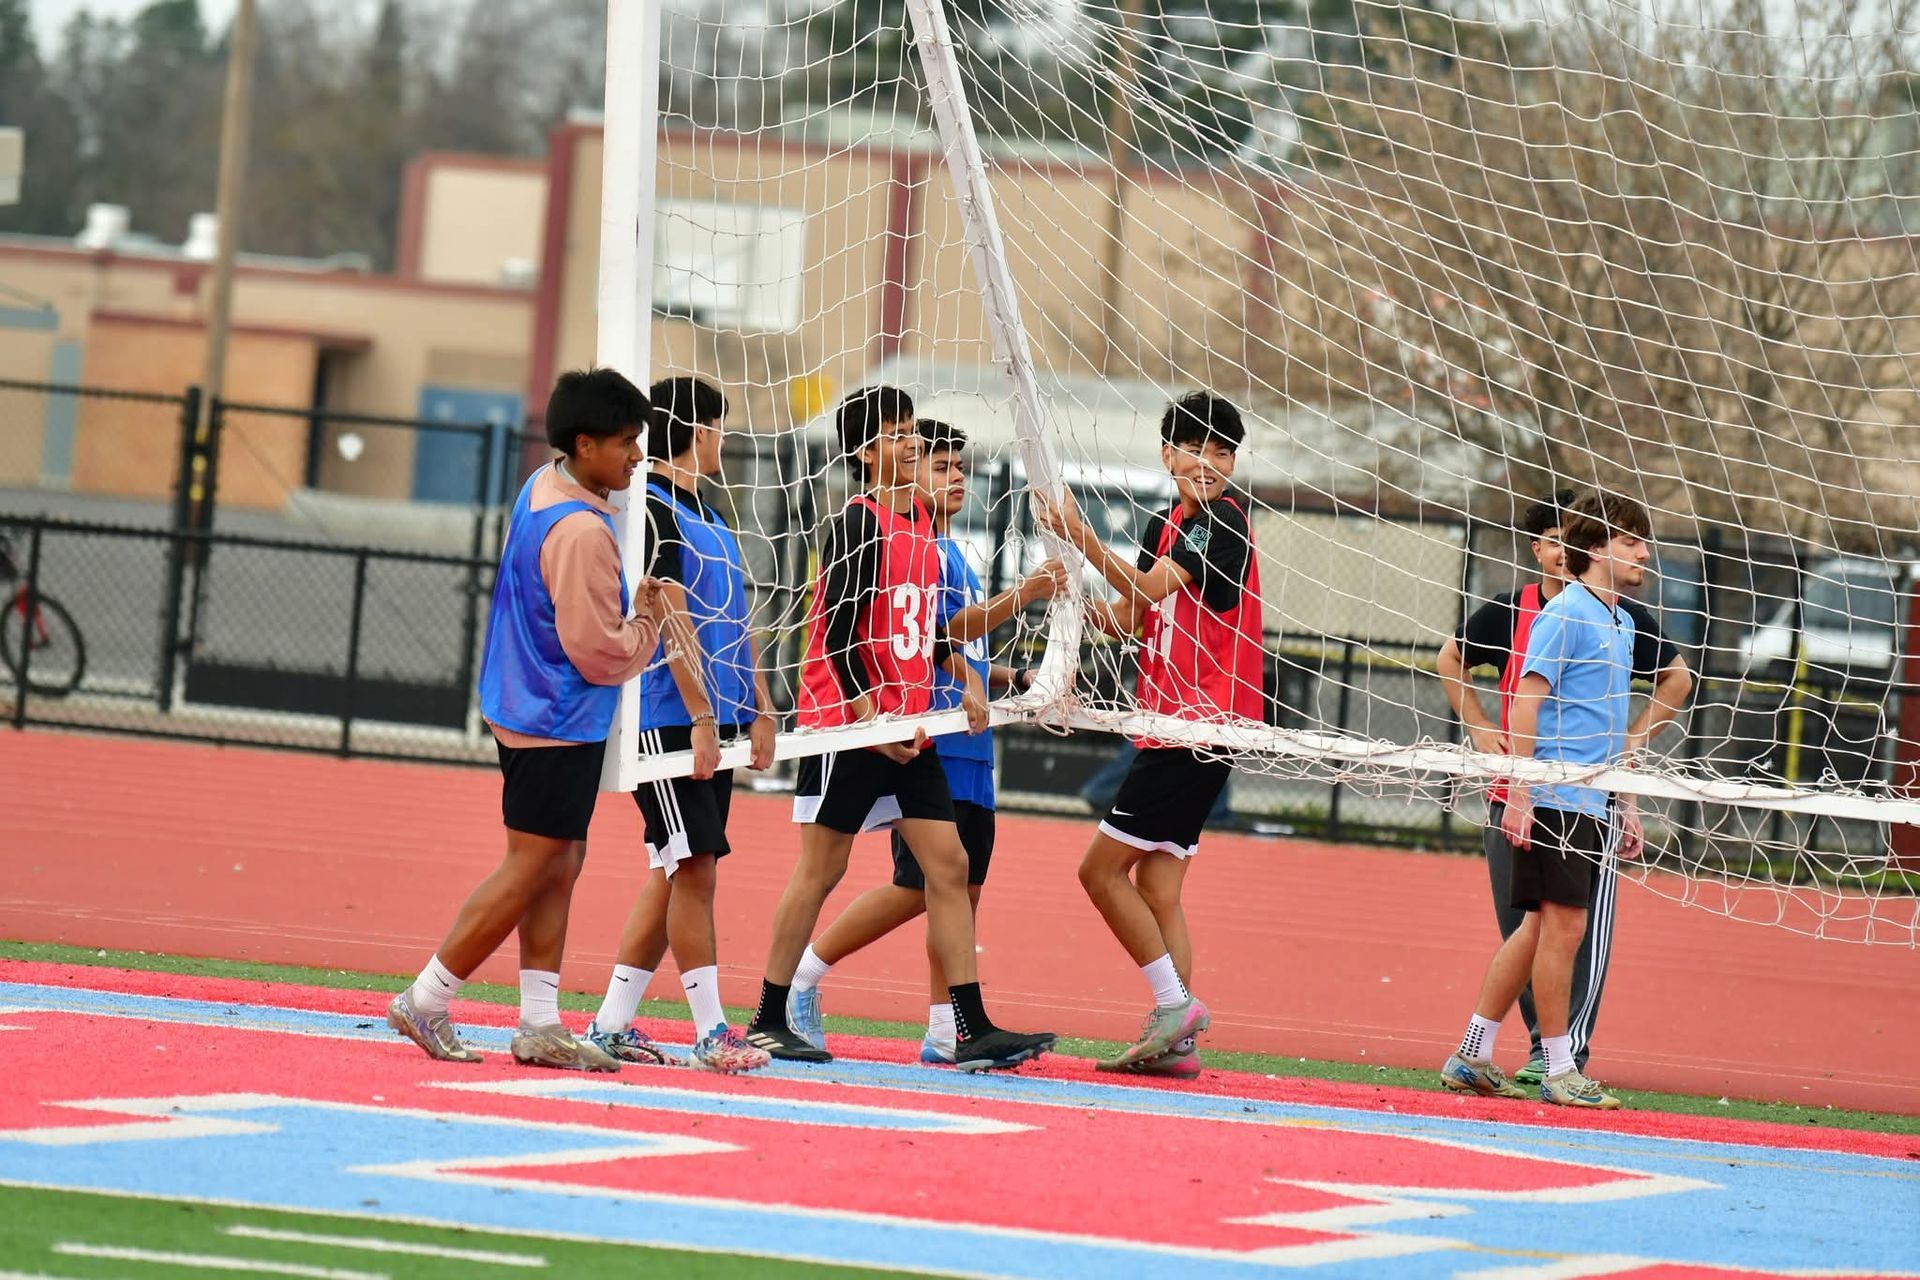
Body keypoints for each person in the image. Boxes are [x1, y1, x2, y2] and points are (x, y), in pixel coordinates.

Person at [742, 386, 1057, 1072]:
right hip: (849, 723)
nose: (912, 442)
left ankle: (968, 1029)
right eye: (897, 433)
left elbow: (927, 631)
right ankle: (769, 1014)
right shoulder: (859, 523)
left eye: (913, 429)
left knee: (949, 867)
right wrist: (865, 716)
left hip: (909, 724)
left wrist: (967, 676)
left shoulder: (923, 526)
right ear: (864, 451)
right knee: (821, 869)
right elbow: (837, 633)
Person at [387, 368, 662, 1071]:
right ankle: (426, 997)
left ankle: (540, 1021)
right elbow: (598, 650)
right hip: (553, 710)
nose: (637, 456)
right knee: (533, 862)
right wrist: (650, 626)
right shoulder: (581, 531)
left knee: (559, 862)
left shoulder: (546, 485)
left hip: (533, 702)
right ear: (585, 443)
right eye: (627, 442)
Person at [1038, 390, 1264, 1079]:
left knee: (1099, 871)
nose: (1211, 460)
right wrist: (1067, 601)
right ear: (1168, 454)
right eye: (1197, 446)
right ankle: (1179, 1043)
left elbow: (1155, 585)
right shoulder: (1168, 522)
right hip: (1170, 722)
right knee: (1160, 886)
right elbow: (1131, 615)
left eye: (1223, 450)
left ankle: (1175, 1007)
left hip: (1197, 726)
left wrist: (1082, 536)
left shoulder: (1222, 523)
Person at [1437, 489, 1692, 1086]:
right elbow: (1526, 705)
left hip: (1592, 798)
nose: (1645, 553)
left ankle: (1472, 1054)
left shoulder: (1623, 622)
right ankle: (1559, 1068)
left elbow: (1610, 723)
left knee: (1538, 930)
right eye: (1631, 541)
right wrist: (1521, 791)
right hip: (1552, 797)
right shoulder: (1565, 614)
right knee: (1563, 928)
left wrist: (1624, 800)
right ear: (1596, 548)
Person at [581, 377, 774, 1075]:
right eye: (720, 424)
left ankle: (608, 1026)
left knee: (675, 871)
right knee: (694, 868)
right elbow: (668, 614)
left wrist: (759, 706)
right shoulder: (654, 511)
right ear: (699, 429)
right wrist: (698, 714)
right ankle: (712, 1030)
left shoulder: (714, 519)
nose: (725, 438)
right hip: (667, 720)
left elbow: (738, 620)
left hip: (715, 720)